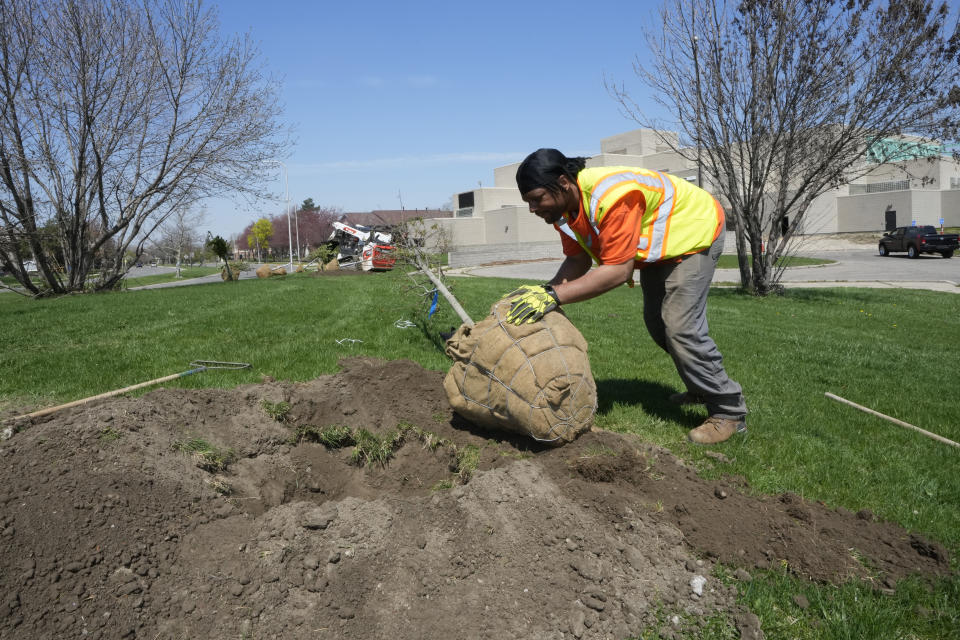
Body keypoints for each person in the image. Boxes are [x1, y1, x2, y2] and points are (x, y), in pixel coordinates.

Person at [505, 148, 747, 444]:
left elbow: (617, 272)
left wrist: (555, 296)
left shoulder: (612, 197)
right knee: (658, 325)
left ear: (563, 183)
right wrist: (545, 292)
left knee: (680, 327)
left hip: (695, 231)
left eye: (536, 199)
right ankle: (700, 386)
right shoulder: (563, 212)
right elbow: (578, 260)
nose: (532, 208)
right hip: (662, 248)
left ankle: (728, 410)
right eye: (528, 201)